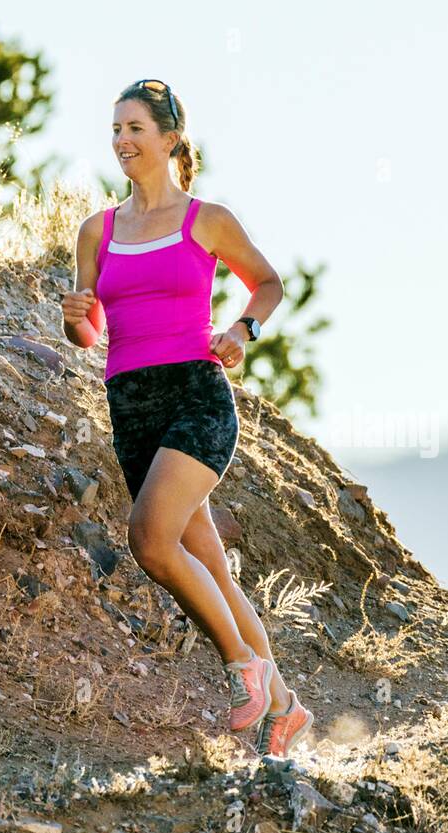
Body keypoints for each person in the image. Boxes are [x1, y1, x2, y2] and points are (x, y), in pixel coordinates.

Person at [60, 79, 312, 756]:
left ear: (169, 139)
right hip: (131, 409)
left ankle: (245, 669)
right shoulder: (97, 231)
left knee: (149, 539)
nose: (121, 142)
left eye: (135, 128)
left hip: (197, 399)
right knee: (210, 566)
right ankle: (286, 711)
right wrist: (76, 323)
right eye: (114, 130)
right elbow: (91, 335)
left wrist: (242, 331)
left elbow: (268, 283)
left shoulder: (208, 219)